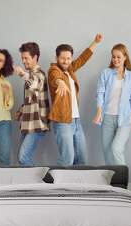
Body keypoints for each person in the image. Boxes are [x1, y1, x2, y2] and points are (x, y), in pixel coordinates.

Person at [48, 34, 103, 166]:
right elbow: (54, 77)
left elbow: (82, 59)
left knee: (82, 158)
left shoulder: (70, 70)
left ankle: (78, 186)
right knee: (67, 159)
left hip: (76, 121)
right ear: (57, 58)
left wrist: (95, 43)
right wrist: (59, 81)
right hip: (62, 121)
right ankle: (59, 185)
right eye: (62, 58)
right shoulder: (53, 70)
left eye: (68, 58)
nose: (66, 61)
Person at [93, 43, 131, 165]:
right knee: (107, 152)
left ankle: (122, 181)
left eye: (118, 57)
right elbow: (100, 94)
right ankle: (112, 182)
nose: (115, 59)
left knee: (116, 148)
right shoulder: (106, 73)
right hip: (107, 118)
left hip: (124, 119)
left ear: (125, 57)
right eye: (113, 57)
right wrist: (98, 113)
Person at [13, 42, 50, 166]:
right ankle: (30, 183)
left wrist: (22, 73)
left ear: (35, 57)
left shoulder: (40, 74)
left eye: (26, 58)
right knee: (22, 156)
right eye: (22, 58)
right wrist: (20, 111)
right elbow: (32, 99)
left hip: (37, 123)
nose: (23, 61)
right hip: (28, 123)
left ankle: (37, 184)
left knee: (23, 157)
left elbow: (35, 83)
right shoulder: (32, 75)